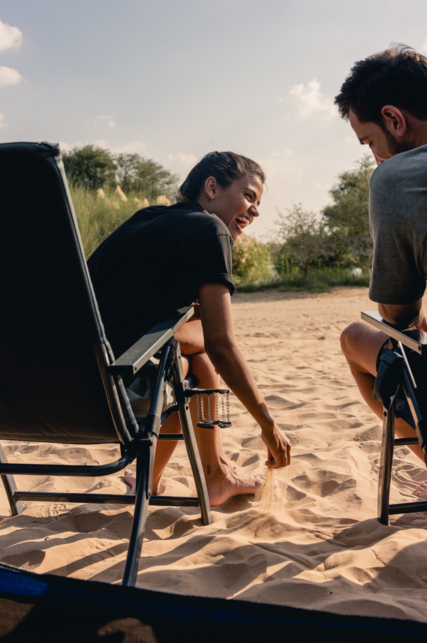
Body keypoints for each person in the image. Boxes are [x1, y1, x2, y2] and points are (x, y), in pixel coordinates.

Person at [88, 151, 291, 506]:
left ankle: (183, 476)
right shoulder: (211, 229)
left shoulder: (146, 219)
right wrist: (268, 425)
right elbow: (221, 344)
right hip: (117, 392)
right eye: (248, 196)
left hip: (67, 388)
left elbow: (121, 320)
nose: (256, 210)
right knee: (198, 369)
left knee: (195, 360)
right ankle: (214, 476)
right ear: (212, 187)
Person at [335, 45, 427, 500]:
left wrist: (407, 317)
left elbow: (396, 314)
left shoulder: (398, 176)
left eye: (369, 142)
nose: (375, 156)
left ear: (395, 120)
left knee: (357, 337)